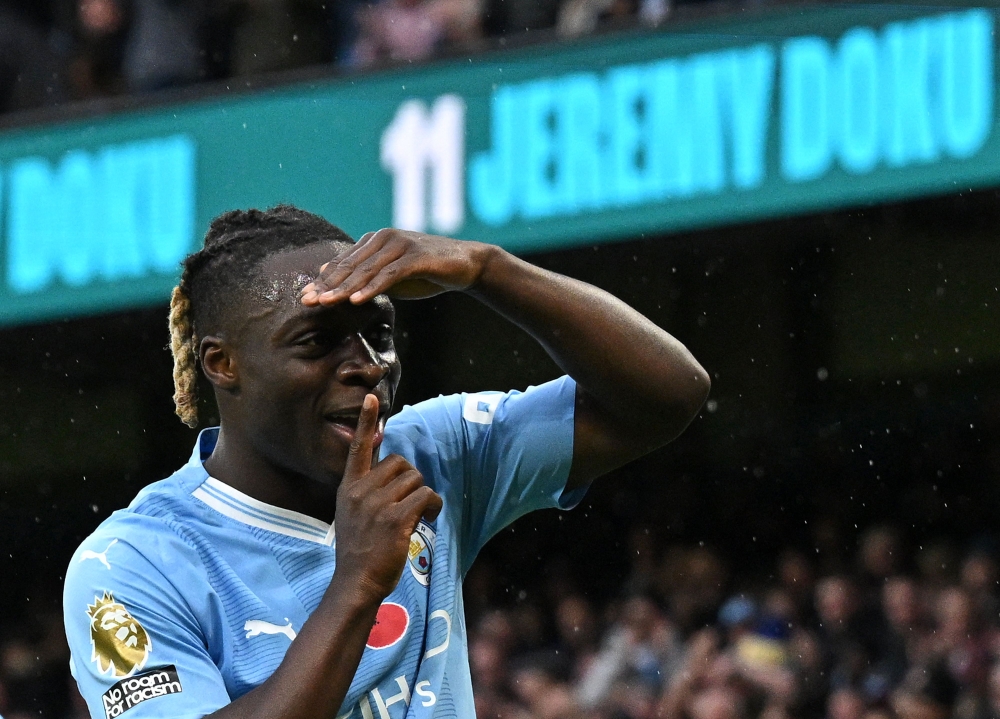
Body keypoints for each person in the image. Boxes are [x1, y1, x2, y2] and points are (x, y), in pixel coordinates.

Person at [62, 205, 709, 719]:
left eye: (379, 332)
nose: (368, 364)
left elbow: (666, 396)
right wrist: (357, 581)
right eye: (318, 341)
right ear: (222, 363)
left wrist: (487, 269)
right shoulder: (129, 562)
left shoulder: (434, 451)